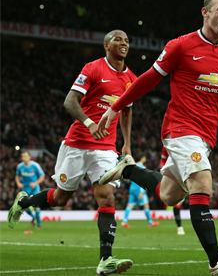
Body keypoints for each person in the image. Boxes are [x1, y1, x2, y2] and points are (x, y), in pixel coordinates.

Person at [97, 0, 218, 275]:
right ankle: (216, 260)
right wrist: (116, 106)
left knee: (169, 195)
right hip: (180, 128)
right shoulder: (181, 45)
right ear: (205, 12)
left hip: (206, 135)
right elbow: (149, 77)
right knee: (201, 182)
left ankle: (128, 170)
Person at [8, 30, 136, 275]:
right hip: (77, 143)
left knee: (107, 196)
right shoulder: (93, 68)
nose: (124, 43)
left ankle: (105, 260)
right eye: (118, 39)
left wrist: (127, 144)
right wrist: (89, 123)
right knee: (60, 199)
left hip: (105, 148)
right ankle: (23, 202)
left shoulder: (131, 77)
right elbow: (69, 101)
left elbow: (127, 111)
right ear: (106, 45)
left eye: (127, 40)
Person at [122, 152, 160, 228]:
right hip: (139, 189)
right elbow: (142, 180)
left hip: (132, 188)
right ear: (142, 158)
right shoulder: (142, 167)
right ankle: (150, 222)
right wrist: (141, 191)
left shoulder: (133, 166)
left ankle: (124, 221)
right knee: (146, 205)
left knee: (130, 205)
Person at [14, 150, 45, 229]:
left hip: (34, 188)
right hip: (25, 189)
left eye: (25, 156)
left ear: (29, 157)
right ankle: (33, 217)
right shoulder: (20, 166)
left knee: (36, 206)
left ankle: (39, 224)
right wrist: (18, 183)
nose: (23, 158)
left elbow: (42, 176)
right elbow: (17, 176)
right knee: (24, 207)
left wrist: (35, 183)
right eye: (22, 157)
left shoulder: (35, 165)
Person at [160, 147, 185, 235]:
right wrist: (166, 173)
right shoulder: (167, 145)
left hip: (185, 175)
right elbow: (163, 160)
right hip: (174, 177)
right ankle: (180, 227)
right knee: (177, 204)